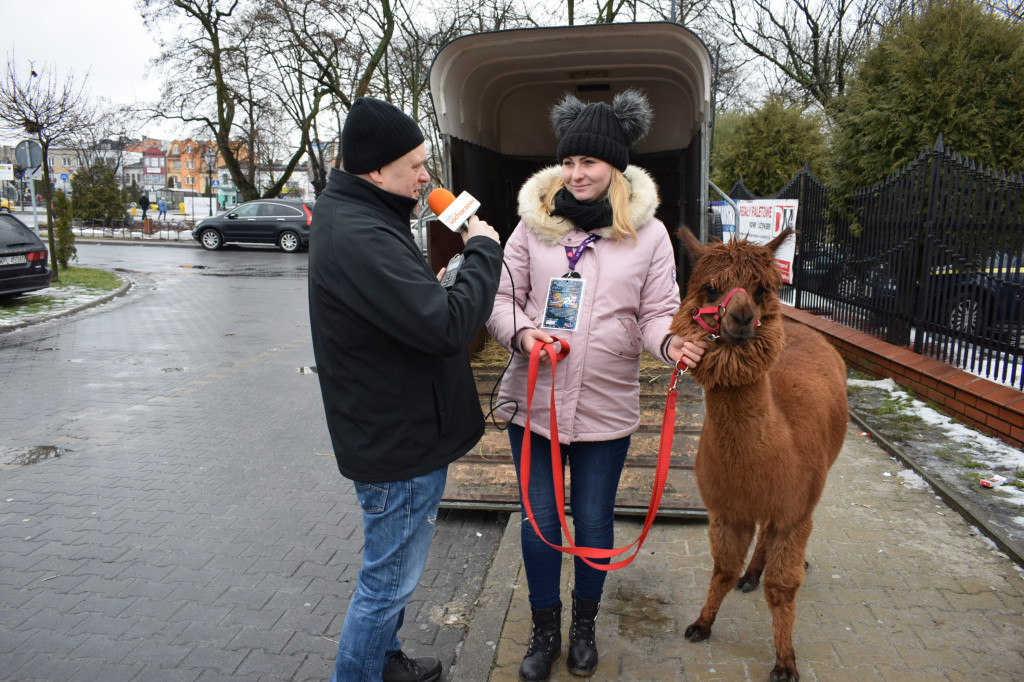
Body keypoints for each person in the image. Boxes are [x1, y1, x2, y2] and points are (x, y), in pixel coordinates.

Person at [486, 89, 707, 681]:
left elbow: (657, 312)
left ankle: (584, 627)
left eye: (589, 162)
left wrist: (670, 344)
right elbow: (502, 300)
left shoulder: (650, 235)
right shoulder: (533, 229)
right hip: (535, 402)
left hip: (606, 404)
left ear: (614, 166)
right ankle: (543, 630)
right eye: (570, 161)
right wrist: (524, 334)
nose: (577, 173)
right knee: (539, 524)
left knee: (594, 521)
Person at [307, 97, 504, 682]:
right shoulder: (361, 232)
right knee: (386, 583)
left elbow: (407, 315)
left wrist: (435, 286)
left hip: (397, 431)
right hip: (398, 447)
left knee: (390, 579)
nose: (426, 176)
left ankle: (384, 661)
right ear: (375, 170)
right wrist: (482, 252)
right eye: (416, 165)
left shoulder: (364, 218)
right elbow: (447, 329)